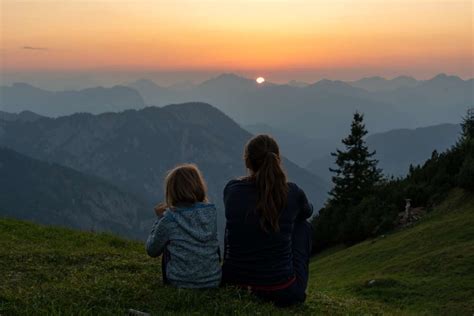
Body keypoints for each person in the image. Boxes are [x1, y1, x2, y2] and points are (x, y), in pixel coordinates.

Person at [222, 134, 313, 306]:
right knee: (303, 226)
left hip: (234, 283)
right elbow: (306, 213)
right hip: (282, 291)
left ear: (247, 162)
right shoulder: (292, 192)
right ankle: (289, 281)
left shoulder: (232, 190)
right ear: (278, 160)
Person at [146, 163, 221, 288]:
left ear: (172, 191)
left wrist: (159, 219)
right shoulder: (210, 213)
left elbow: (152, 250)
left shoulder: (169, 219)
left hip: (179, 282)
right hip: (213, 281)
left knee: (167, 243)